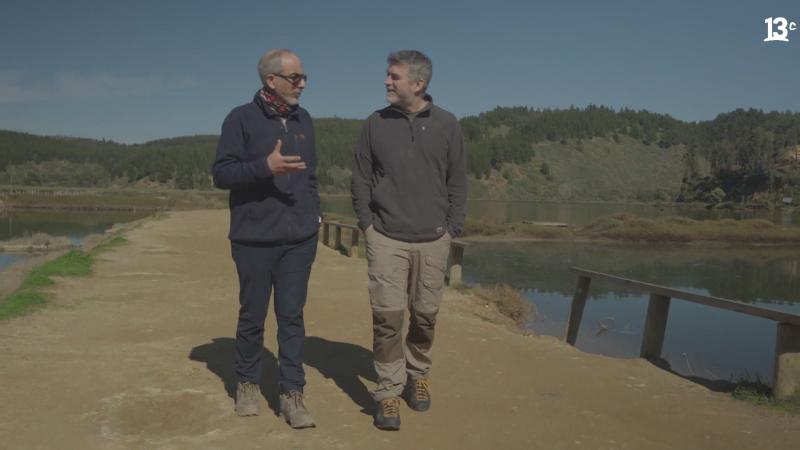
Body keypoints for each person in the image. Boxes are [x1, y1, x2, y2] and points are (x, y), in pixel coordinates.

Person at [351, 50, 467, 430]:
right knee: (387, 319)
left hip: (434, 240)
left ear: (418, 84)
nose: (386, 81)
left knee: (425, 317)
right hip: (386, 238)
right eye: (388, 75)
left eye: (394, 76)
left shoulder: (448, 124)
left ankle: (418, 375)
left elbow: (458, 183)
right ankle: (387, 392)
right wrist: (368, 226)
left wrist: (452, 228)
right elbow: (361, 178)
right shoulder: (375, 123)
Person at [212, 48, 320, 429]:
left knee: (291, 317)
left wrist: (314, 215)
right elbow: (222, 173)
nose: (303, 83)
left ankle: (292, 393)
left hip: (299, 239)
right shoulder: (240, 119)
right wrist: (264, 167)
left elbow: (310, 176)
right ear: (271, 80)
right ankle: (247, 383)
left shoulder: (304, 119)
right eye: (295, 77)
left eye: (304, 77)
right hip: (253, 238)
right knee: (253, 315)